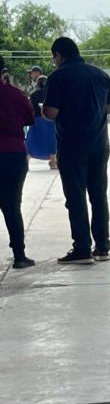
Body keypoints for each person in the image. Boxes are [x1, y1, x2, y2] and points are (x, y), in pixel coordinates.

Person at [42, 37, 110, 265]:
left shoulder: (58, 77)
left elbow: (51, 113)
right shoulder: (100, 75)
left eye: (54, 57)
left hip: (72, 146)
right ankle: (102, 247)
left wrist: (43, 109)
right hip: (100, 145)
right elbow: (108, 107)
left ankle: (82, 248)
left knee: (76, 197)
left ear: (59, 55)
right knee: (98, 196)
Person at [0, 55, 36, 269]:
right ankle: (20, 256)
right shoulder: (15, 94)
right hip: (12, 154)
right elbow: (30, 119)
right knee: (12, 205)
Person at [26, 76, 57, 169]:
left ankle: (27, 161)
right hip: (49, 120)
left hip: (36, 120)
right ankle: (53, 162)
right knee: (52, 140)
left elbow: (30, 109)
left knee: (31, 139)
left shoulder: (34, 95)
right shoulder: (51, 94)